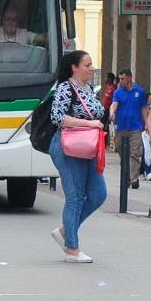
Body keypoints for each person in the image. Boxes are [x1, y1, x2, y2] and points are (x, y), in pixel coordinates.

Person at [48, 50, 106, 262]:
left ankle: (65, 230)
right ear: (74, 67)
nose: (91, 68)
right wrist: (90, 123)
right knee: (75, 195)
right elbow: (58, 118)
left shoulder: (88, 89)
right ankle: (72, 248)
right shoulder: (65, 88)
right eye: (87, 65)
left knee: (98, 193)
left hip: (89, 146)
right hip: (68, 146)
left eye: (91, 65)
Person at [109, 69, 149, 189]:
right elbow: (114, 104)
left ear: (129, 78)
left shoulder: (140, 92)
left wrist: (146, 123)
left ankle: (134, 179)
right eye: (120, 78)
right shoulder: (118, 92)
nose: (120, 81)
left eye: (122, 78)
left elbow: (143, 108)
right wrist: (112, 113)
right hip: (121, 128)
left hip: (135, 128)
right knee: (123, 154)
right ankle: (126, 176)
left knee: (134, 153)